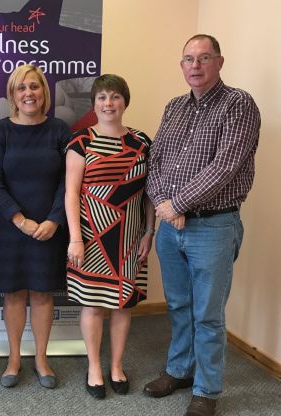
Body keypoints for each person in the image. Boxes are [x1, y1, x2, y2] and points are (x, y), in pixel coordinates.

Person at [144, 34, 261, 416]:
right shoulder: (174, 106)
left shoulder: (238, 104)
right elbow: (155, 159)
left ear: (219, 62)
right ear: (182, 66)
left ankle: (206, 390)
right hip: (170, 228)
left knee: (208, 314)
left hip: (213, 227)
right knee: (178, 305)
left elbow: (225, 167)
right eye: (189, 59)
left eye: (204, 58)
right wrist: (165, 206)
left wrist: (177, 203)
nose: (195, 65)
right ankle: (179, 369)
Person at [65, 74, 155, 399]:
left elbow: (149, 194)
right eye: (102, 97)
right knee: (92, 305)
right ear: (94, 103)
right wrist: (75, 238)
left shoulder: (143, 142)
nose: (108, 103)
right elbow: (71, 194)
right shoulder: (81, 141)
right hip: (92, 237)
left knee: (122, 305)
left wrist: (150, 232)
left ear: (124, 101)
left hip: (130, 238)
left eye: (115, 97)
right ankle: (93, 367)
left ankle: (116, 365)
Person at [0, 64, 70, 389]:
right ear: (12, 95)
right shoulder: (0, 131)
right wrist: (18, 219)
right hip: (10, 228)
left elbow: (69, 180)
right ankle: (14, 359)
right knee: (15, 294)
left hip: (49, 227)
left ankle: (42, 360)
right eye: (21, 88)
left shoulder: (60, 130)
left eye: (34, 87)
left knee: (44, 294)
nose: (28, 93)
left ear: (44, 93)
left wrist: (53, 219)